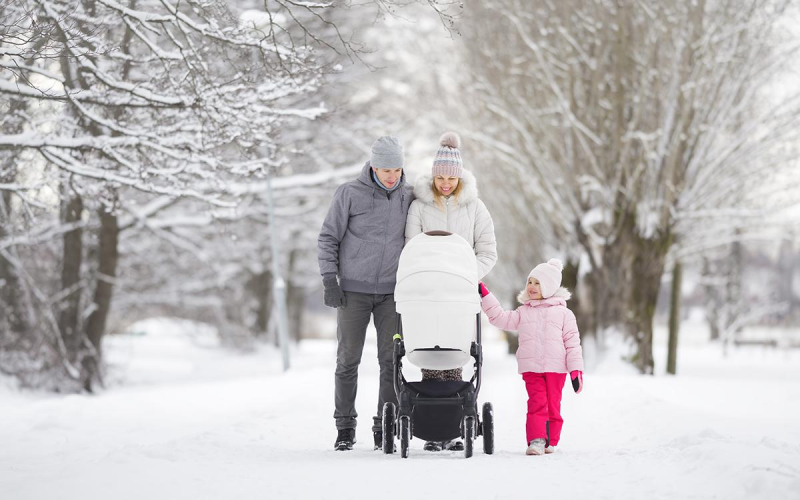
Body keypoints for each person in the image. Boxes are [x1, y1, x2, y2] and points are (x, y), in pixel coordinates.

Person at [317, 136, 414, 451]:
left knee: (391, 361)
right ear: (373, 166)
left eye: (397, 169)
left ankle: (383, 426)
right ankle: (345, 427)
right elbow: (329, 236)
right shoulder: (350, 193)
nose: (391, 176)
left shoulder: (409, 196)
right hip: (353, 293)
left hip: (391, 294)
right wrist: (330, 279)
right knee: (347, 360)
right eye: (386, 169)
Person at [405, 131, 497, 451]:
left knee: (456, 353)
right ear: (433, 176)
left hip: (460, 293)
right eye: (440, 177)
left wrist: (466, 274)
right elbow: (411, 248)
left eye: (451, 178)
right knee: (431, 352)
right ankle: (434, 429)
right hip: (427, 292)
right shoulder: (419, 206)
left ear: (460, 178)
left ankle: (455, 427)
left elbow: (487, 251)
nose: (445, 183)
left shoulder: (475, 208)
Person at [478, 258, 584, 455]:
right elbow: (500, 318)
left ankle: (550, 441)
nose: (532, 287)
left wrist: (576, 370)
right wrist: (485, 295)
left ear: (550, 287)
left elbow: (572, 343)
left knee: (553, 404)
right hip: (532, 368)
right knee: (537, 402)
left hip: (556, 368)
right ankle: (536, 440)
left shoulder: (564, 314)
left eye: (538, 283)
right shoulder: (523, 312)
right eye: (530, 282)